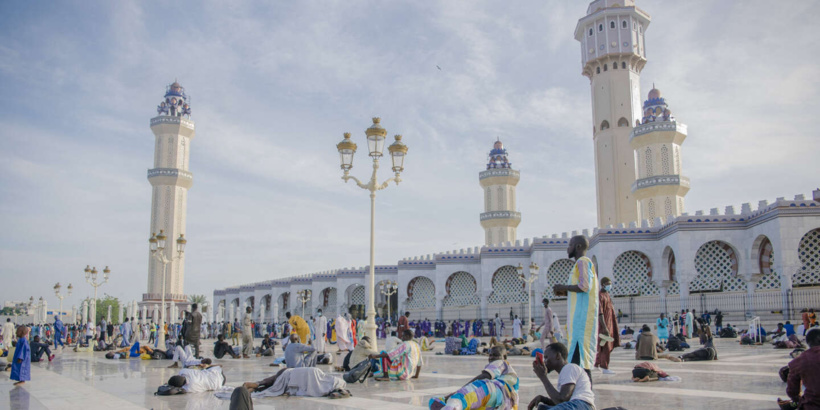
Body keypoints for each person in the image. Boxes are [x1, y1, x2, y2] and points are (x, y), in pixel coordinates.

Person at [552, 235, 599, 384]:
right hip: (577, 323)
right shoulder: (578, 264)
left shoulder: (583, 262)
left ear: (578, 247)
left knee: (582, 365)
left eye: (570, 245)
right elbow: (580, 289)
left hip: (582, 323)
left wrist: (564, 287)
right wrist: (564, 290)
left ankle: (586, 400)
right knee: (579, 365)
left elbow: (585, 286)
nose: (568, 248)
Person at [429, 346, 519, 410]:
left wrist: (460, 391)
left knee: (459, 398)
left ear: (505, 357)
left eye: (495, 355)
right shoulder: (512, 377)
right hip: (501, 404)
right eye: (490, 355)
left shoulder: (501, 363)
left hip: (493, 391)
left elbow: (485, 376)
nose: (492, 358)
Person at [227, 367, 348, 408]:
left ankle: (255, 385)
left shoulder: (321, 375)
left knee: (272, 383)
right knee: (274, 386)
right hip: (289, 376)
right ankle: (255, 386)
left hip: (289, 371)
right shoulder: (323, 383)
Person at [528, 342, 595, 410]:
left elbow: (562, 400)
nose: (545, 361)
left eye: (546, 357)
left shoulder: (570, 367)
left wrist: (543, 377)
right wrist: (543, 399)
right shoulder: (565, 372)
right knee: (542, 408)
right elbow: (561, 402)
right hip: (575, 405)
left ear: (558, 356)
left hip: (582, 404)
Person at [781, 328, 820, 409]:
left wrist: (798, 400)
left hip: (813, 405)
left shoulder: (799, 361)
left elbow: (792, 391)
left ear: (808, 342)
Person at [595, 277, 619, 374]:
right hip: (604, 326)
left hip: (610, 324)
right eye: (608, 284)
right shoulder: (600, 296)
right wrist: (604, 327)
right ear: (603, 284)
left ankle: (597, 363)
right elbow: (600, 313)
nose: (610, 286)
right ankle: (605, 367)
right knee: (604, 346)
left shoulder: (607, 295)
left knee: (602, 345)